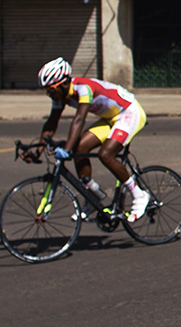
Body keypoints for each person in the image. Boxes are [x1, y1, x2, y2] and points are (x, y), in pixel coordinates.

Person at [29, 57, 152, 221]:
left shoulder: (83, 88)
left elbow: (79, 119)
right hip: (110, 118)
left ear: (64, 83)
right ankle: (92, 195)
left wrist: (66, 149)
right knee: (79, 148)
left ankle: (139, 195)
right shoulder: (60, 96)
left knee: (106, 154)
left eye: (51, 89)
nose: (49, 94)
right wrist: (38, 150)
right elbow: (52, 122)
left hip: (129, 112)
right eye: (46, 90)